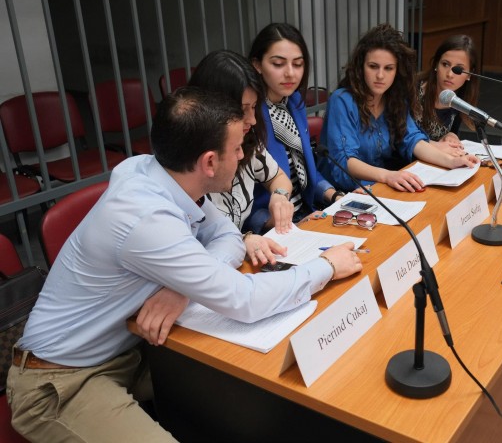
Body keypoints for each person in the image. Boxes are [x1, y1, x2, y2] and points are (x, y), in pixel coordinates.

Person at [6, 87, 362, 442]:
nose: (243, 156)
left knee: (251, 389)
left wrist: (181, 288)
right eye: (238, 149)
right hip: (59, 381)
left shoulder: (157, 174)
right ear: (209, 162)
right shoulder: (146, 218)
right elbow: (245, 300)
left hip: (130, 348)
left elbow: (227, 236)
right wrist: (326, 266)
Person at [317, 23, 478, 193]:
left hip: (380, 186)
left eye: (388, 68)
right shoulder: (342, 100)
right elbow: (345, 160)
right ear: (360, 67)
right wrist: (387, 176)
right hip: (341, 192)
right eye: (373, 66)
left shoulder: (395, 98)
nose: (380, 75)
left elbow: (413, 139)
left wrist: (450, 162)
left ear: (397, 70)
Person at [188, 50, 293, 265]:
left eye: (254, 108)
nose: (253, 120)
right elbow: (197, 246)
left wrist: (279, 196)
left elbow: (278, 177)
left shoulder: (245, 143)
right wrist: (243, 239)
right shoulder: (189, 166)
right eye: (242, 110)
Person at [248, 23, 346, 225]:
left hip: (309, 213)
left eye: (298, 64)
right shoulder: (249, 115)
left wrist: (335, 197)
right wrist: (280, 224)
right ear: (257, 65)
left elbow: (308, 172)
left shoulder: (294, 103)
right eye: (278, 64)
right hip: (271, 226)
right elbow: (245, 202)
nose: (290, 73)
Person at [415, 34, 480, 156]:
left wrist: (451, 135)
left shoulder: (460, 97)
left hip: (433, 162)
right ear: (435, 65)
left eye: (458, 70)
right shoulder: (413, 90)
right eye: (445, 64)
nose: (450, 74)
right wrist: (436, 146)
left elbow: (450, 132)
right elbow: (401, 136)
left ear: (470, 74)